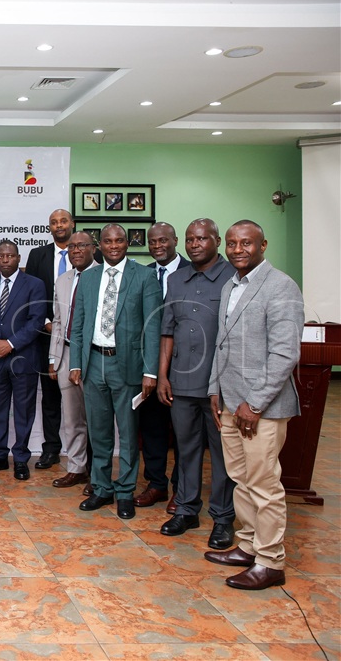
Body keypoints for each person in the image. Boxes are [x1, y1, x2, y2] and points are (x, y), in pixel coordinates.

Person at [204, 220, 304, 590]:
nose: (237, 250)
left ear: (263, 244)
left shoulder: (281, 287)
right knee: (241, 480)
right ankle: (247, 546)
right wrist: (215, 389)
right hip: (229, 402)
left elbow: (285, 353)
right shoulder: (232, 284)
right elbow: (221, 344)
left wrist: (255, 404)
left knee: (264, 484)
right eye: (231, 244)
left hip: (261, 408)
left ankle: (270, 561)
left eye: (246, 243)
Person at [69, 224, 161, 520]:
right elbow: (79, 323)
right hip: (94, 362)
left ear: (127, 243)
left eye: (119, 240)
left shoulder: (144, 276)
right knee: (99, 431)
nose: (113, 246)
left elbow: (152, 327)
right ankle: (101, 488)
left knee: (129, 433)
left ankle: (125, 492)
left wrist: (150, 371)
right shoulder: (89, 277)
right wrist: (76, 363)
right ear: (99, 244)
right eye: (107, 241)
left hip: (128, 365)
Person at [157, 219, 236, 548]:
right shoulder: (176, 279)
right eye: (190, 239)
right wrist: (162, 375)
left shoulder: (233, 276)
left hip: (221, 385)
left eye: (202, 238)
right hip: (182, 381)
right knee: (186, 450)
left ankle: (223, 518)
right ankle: (187, 510)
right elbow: (167, 330)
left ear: (216, 241)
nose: (195, 244)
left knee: (222, 455)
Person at [0, 240, 47, 480]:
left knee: (24, 410)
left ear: (18, 258)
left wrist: (11, 344)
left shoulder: (34, 285)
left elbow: (36, 321)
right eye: (0, 256)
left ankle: (21, 459)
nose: (5, 260)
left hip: (23, 358)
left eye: (10, 256)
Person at [135, 222, 189, 513]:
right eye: (152, 241)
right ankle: (156, 484)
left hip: (186, 367)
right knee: (152, 429)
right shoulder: (143, 274)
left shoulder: (193, 272)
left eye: (163, 240)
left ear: (175, 241)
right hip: (149, 366)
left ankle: (182, 491)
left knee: (183, 432)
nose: (157, 246)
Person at [23, 208, 74, 470]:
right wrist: (46, 322)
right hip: (47, 335)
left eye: (63, 220)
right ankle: (51, 449)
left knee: (82, 396)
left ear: (72, 224)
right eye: (54, 222)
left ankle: (85, 453)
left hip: (79, 337)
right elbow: (30, 292)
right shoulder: (38, 255)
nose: (59, 225)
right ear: (50, 228)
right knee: (51, 396)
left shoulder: (88, 252)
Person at [48, 231, 98, 489]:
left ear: (93, 248)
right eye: (72, 247)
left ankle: (99, 474)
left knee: (98, 418)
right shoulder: (63, 280)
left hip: (96, 355)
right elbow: (58, 320)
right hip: (66, 353)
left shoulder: (104, 275)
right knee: (72, 418)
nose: (76, 250)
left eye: (82, 246)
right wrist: (53, 358)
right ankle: (77, 468)